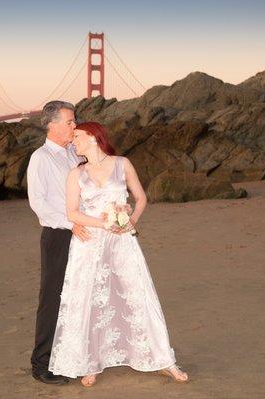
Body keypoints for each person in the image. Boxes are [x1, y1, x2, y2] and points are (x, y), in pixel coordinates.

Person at [48, 122, 189, 387]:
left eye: (77, 136)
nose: (73, 141)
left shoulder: (122, 164)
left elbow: (141, 198)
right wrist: (104, 223)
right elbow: (72, 213)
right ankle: (89, 363)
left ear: (92, 137)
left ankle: (163, 360)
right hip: (89, 243)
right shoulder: (75, 174)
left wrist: (130, 221)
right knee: (88, 298)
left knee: (138, 294)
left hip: (122, 242)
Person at [26, 100, 89, 385]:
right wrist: (72, 223)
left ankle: (70, 358)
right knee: (52, 299)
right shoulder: (41, 158)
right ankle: (41, 364)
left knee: (78, 296)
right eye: (69, 122)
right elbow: (38, 204)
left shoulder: (75, 153)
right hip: (59, 235)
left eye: (74, 121)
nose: (74, 126)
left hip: (83, 232)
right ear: (52, 125)